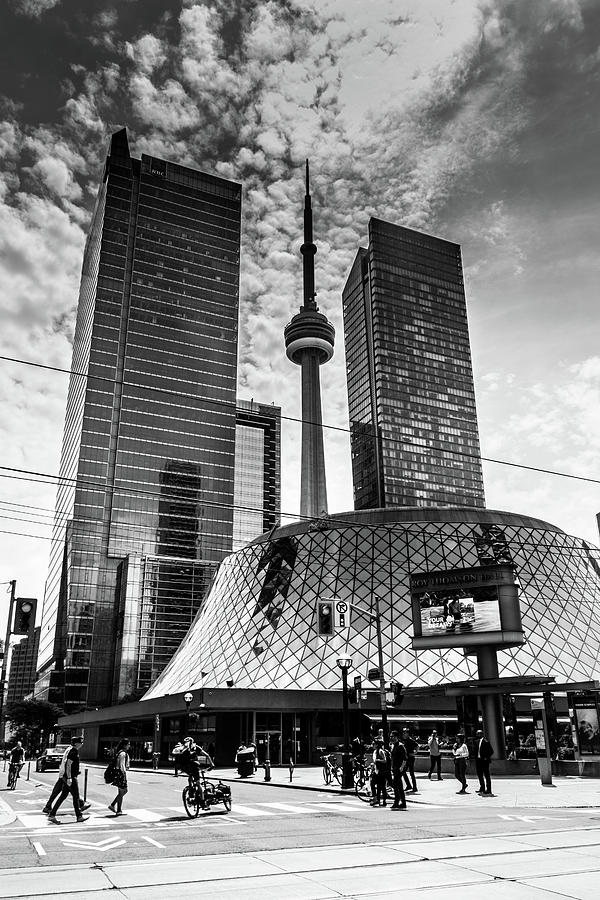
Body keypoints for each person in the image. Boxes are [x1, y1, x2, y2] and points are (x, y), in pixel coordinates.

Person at [47, 736, 87, 822]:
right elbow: (68, 764)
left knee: (63, 796)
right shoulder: (73, 751)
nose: (82, 744)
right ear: (76, 743)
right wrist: (69, 778)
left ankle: (52, 814)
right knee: (76, 797)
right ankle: (79, 816)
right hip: (71, 777)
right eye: (81, 742)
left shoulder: (73, 750)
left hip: (68, 776)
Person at [177, 737, 214, 809]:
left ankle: (191, 792)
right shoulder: (196, 747)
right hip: (194, 767)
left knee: (190, 779)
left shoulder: (183, 748)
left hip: (186, 767)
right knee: (198, 783)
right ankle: (203, 802)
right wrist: (211, 764)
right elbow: (207, 755)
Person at [108, 738, 130, 815]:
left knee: (121, 791)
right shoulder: (123, 753)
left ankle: (117, 808)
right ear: (125, 745)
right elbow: (122, 765)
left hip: (118, 773)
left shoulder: (119, 752)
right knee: (124, 791)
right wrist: (123, 774)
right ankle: (115, 807)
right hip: (121, 774)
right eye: (128, 744)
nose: (129, 746)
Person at [389, 731, 407, 810]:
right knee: (398, 786)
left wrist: (402, 767)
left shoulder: (400, 746)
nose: (391, 738)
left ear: (397, 737)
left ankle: (397, 802)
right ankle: (402, 802)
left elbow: (405, 758)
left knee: (396, 785)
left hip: (399, 769)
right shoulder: (393, 746)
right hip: (394, 768)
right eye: (391, 736)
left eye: (393, 736)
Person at [370, 737, 389, 807]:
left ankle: (384, 800)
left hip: (381, 771)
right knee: (372, 783)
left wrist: (378, 760)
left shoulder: (381, 751)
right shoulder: (375, 752)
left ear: (377, 745)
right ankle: (376, 798)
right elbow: (374, 762)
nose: (372, 745)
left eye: (373, 744)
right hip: (376, 771)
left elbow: (385, 760)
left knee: (382, 786)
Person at [475, 729, 494, 795]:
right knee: (479, 775)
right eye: (477, 733)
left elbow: (491, 751)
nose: (478, 734)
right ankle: (482, 788)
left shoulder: (486, 741)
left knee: (486, 775)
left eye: (479, 733)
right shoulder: (476, 741)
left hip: (484, 761)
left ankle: (488, 789)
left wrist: (486, 757)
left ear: (482, 734)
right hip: (478, 761)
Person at [402, 728, 418, 793]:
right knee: (403, 772)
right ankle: (408, 785)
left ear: (408, 734)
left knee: (411, 773)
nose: (403, 734)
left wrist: (415, 752)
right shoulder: (404, 740)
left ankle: (414, 787)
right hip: (406, 758)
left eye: (405, 732)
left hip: (410, 758)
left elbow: (417, 746)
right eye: (403, 732)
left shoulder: (410, 740)